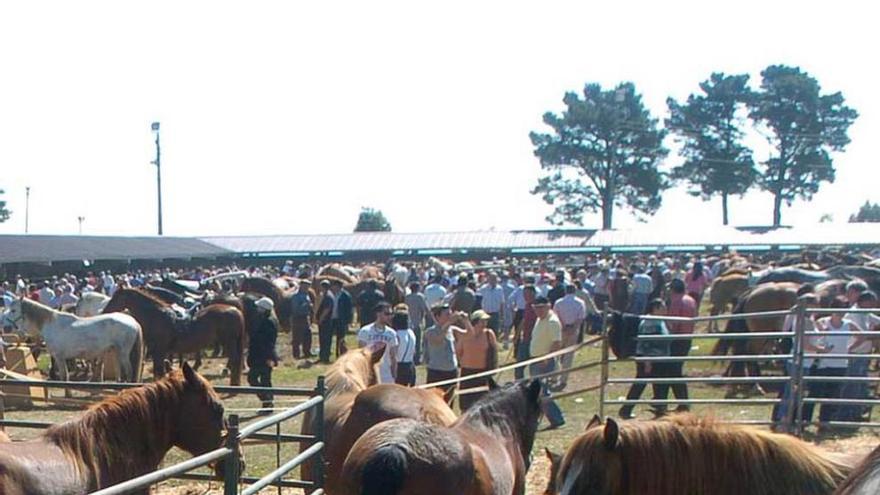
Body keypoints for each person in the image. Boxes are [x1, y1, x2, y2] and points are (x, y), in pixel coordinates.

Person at [810, 296, 863, 430]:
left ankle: (824, 422)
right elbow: (815, 335)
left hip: (840, 364)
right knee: (815, 393)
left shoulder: (848, 324)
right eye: (839, 308)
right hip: (822, 364)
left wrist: (850, 348)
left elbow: (862, 335)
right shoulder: (823, 322)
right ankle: (804, 420)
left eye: (844, 309)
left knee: (832, 395)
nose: (842, 312)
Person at [619, 299, 672, 420]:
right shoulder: (651, 322)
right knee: (644, 384)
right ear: (655, 308)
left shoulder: (659, 321)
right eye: (663, 307)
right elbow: (646, 343)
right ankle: (627, 409)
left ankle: (659, 409)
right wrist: (647, 361)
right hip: (651, 358)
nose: (665, 309)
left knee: (654, 384)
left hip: (657, 357)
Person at [838, 290, 880, 423]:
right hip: (855, 353)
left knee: (860, 385)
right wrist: (873, 335)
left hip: (862, 354)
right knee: (851, 385)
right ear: (864, 302)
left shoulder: (865, 313)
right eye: (871, 303)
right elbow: (862, 334)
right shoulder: (854, 314)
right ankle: (846, 413)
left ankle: (855, 411)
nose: (874, 306)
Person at [529, 296, 565, 429]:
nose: (538, 311)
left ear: (548, 306)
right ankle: (551, 418)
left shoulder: (552, 321)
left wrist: (547, 358)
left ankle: (556, 418)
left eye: (540, 308)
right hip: (536, 359)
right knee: (539, 391)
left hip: (544, 361)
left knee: (541, 392)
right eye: (535, 308)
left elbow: (557, 342)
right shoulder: (540, 319)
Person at [455, 310, 498, 411]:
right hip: (467, 373)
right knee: (466, 405)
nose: (484, 324)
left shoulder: (489, 334)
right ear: (475, 322)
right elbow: (458, 352)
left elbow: (494, 351)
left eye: (485, 321)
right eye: (481, 321)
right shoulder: (465, 335)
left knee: (482, 404)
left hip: (482, 373)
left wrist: (493, 368)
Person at [664, 278, 696, 411]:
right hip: (687, 339)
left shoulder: (677, 301)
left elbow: (674, 323)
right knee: (675, 370)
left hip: (676, 339)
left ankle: (683, 402)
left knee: (673, 371)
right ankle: (682, 402)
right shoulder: (691, 300)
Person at [423, 303, 463, 404]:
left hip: (451, 371)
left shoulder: (451, 330)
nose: (450, 317)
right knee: (433, 402)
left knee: (449, 401)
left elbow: (470, 335)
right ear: (437, 317)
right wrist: (449, 323)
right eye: (447, 315)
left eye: (450, 314)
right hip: (436, 372)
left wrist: (465, 320)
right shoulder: (430, 332)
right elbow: (438, 340)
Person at [248, 297, 280, 414]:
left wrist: (269, 357)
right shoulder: (267, 320)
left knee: (255, 378)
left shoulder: (268, 322)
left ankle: (267, 402)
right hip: (261, 356)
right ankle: (267, 402)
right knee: (265, 380)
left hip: (263, 357)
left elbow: (268, 342)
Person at [553, 284, 586, 390]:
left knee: (557, 354)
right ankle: (563, 379)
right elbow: (580, 318)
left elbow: (555, 315)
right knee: (568, 356)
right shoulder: (580, 302)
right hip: (573, 330)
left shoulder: (559, 302)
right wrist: (573, 328)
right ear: (575, 291)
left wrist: (563, 326)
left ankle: (554, 376)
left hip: (560, 330)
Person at [357, 302, 399, 384]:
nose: (389, 317)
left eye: (391, 314)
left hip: (387, 376)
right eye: (386, 314)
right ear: (378, 314)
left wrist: (394, 374)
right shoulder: (365, 331)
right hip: (370, 375)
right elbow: (361, 355)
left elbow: (393, 356)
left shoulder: (391, 333)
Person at [404, 282, 432, 365]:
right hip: (416, 322)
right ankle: (416, 359)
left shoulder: (406, 297)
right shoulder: (420, 297)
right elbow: (425, 309)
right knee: (417, 341)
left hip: (407, 322)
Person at [392, 308, 417, 386]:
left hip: (399, 366)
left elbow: (394, 352)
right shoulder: (411, 332)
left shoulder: (396, 334)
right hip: (410, 365)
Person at [290, 279, 314, 359]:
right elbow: (295, 309)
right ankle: (296, 354)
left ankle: (307, 352)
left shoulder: (306, 295)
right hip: (298, 318)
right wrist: (306, 305)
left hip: (305, 317)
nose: (307, 288)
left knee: (308, 335)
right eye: (306, 286)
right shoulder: (296, 296)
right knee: (297, 337)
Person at [330, 279, 353, 359]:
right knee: (331, 336)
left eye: (335, 286)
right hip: (333, 318)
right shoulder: (333, 295)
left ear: (338, 286)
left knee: (341, 337)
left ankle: (340, 353)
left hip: (341, 319)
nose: (333, 287)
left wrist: (348, 320)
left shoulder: (345, 295)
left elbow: (349, 309)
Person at [316, 280, 335, 364]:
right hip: (325, 321)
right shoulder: (327, 295)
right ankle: (323, 355)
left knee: (325, 339)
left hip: (326, 321)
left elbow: (327, 309)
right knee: (323, 339)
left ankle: (325, 356)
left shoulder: (328, 296)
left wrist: (321, 318)